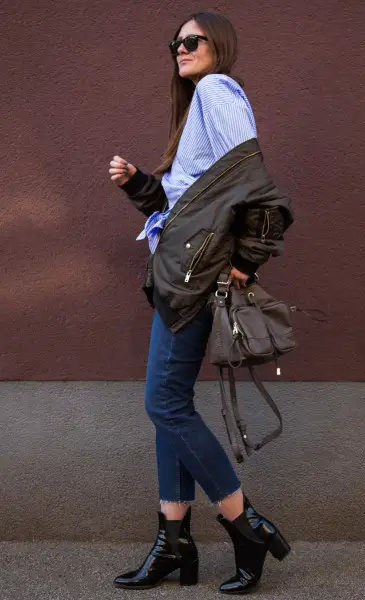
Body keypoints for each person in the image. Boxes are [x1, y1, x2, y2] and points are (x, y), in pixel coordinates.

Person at [108, 11, 293, 595]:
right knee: (171, 403)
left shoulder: (217, 89)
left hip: (197, 280)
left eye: (192, 40)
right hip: (181, 277)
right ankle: (173, 542)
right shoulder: (198, 106)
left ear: (220, 46)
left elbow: (259, 191)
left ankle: (246, 525)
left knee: (163, 401)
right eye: (175, 43)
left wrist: (245, 265)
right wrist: (141, 183)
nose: (181, 49)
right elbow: (191, 206)